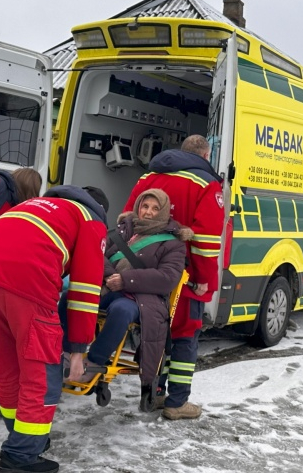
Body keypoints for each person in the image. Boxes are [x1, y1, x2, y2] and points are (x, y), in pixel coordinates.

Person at [0, 185, 109, 473]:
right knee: (42, 376)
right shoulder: (91, 219)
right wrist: (79, 349)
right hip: (27, 280)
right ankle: (20, 458)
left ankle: (27, 439)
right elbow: (84, 290)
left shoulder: (37, 205)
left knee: (10, 370)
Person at [61, 188, 192, 411]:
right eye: (144, 206)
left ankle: (94, 362)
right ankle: (65, 354)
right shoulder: (124, 229)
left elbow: (167, 278)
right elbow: (96, 253)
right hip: (108, 286)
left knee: (121, 311)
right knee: (70, 297)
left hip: (142, 298)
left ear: (163, 212)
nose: (148, 212)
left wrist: (125, 280)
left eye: (154, 208)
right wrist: (110, 277)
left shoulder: (173, 243)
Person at [124, 134, 224, 421]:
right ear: (205, 156)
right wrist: (203, 277)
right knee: (184, 335)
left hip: (144, 270)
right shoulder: (207, 183)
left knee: (157, 332)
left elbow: (128, 220)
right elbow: (205, 239)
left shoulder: (148, 178)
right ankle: (177, 401)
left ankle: (156, 393)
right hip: (184, 273)